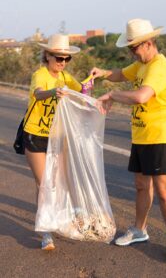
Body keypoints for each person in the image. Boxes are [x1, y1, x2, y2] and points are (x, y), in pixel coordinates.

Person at [90, 18, 166, 264]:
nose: (131, 53)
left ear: (148, 43)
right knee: (142, 185)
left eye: (134, 48)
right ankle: (140, 230)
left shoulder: (160, 67)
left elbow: (142, 96)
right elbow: (121, 74)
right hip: (141, 136)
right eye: (130, 48)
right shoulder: (141, 65)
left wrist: (112, 95)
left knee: (164, 191)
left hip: (159, 136)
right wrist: (102, 74)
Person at [23, 34, 94, 250]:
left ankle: (57, 219)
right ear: (47, 56)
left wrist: (89, 83)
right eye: (58, 58)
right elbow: (39, 94)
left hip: (57, 136)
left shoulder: (65, 77)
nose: (62, 62)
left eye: (66, 59)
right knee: (44, 184)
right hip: (35, 134)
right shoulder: (40, 74)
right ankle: (46, 232)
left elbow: (82, 91)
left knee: (58, 181)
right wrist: (54, 91)